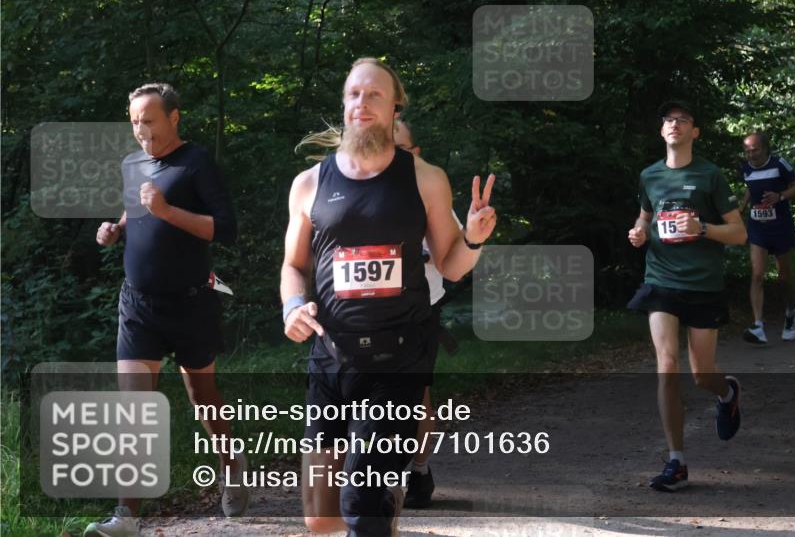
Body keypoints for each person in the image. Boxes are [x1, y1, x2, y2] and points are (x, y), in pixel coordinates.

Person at [281, 58, 496, 536]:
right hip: (332, 356)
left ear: (395, 105)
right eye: (354, 94)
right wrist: (293, 306)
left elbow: (450, 264)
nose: (362, 103)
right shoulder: (309, 184)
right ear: (344, 103)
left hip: (399, 359)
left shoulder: (425, 178)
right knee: (321, 518)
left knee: (359, 499)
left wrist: (474, 239)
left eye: (374, 94)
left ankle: (378, 501)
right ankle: (387, 499)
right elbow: (294, 265)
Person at [88, 83, 246, 537]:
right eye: (135, 122)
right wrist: (115, 229)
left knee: (202, 398)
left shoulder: (196, 162)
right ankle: (126, 516)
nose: (142, 131)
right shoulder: (132, 163)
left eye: (149, 121)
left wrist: (167, 210)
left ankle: (231, 464)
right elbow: (134, 210)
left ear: (174, 118)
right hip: (138, 305)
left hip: (191, 303)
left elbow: (226, 229)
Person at [626, 100, 747, 492]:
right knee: (666, 364)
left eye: (682, 120)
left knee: (701, 374)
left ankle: (727, 392)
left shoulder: (710, 175)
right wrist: (639, 233)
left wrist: (704, 229)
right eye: (668, 120)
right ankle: (676, 461)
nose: (674, 124)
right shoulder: (649, 175)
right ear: (661, 130)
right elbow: (645, 216)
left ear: (695, 131)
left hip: (703, 284)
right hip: (661, 279)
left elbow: (739, 233)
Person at [393, 119, 462, 509]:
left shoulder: (429, 190)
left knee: (416, 395)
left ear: (415, 153)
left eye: (400, 148)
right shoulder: (348, 186)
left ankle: (419, 470)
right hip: (362, 313)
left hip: (420, 309)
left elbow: (452, 258)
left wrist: (422, 255)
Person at [738, 131, 795, 345]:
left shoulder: (779, 164)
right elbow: (750, 187)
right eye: (747, 151)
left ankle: (790, 313)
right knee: (757, 274)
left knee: (783, 276)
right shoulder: (745, 168)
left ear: (765, 148)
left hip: (780, 226)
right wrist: (741, 207)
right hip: (758, 227)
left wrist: (780, 196)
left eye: (755, 150)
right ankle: (758, 326)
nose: (751, 154)